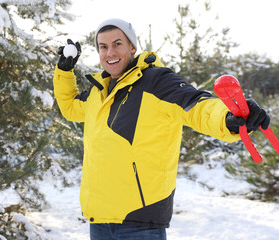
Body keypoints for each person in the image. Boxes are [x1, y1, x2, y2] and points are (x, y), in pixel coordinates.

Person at [53, 18, 270, 240]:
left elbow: (196, 105)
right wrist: (64, 70)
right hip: (98, 220)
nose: (110, 52)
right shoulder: (98, 92)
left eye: (117, 44)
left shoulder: (155, 81)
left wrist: (228, 116)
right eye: (103, 46)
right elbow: (69, 107)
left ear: (132, 47)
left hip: (140, 222)